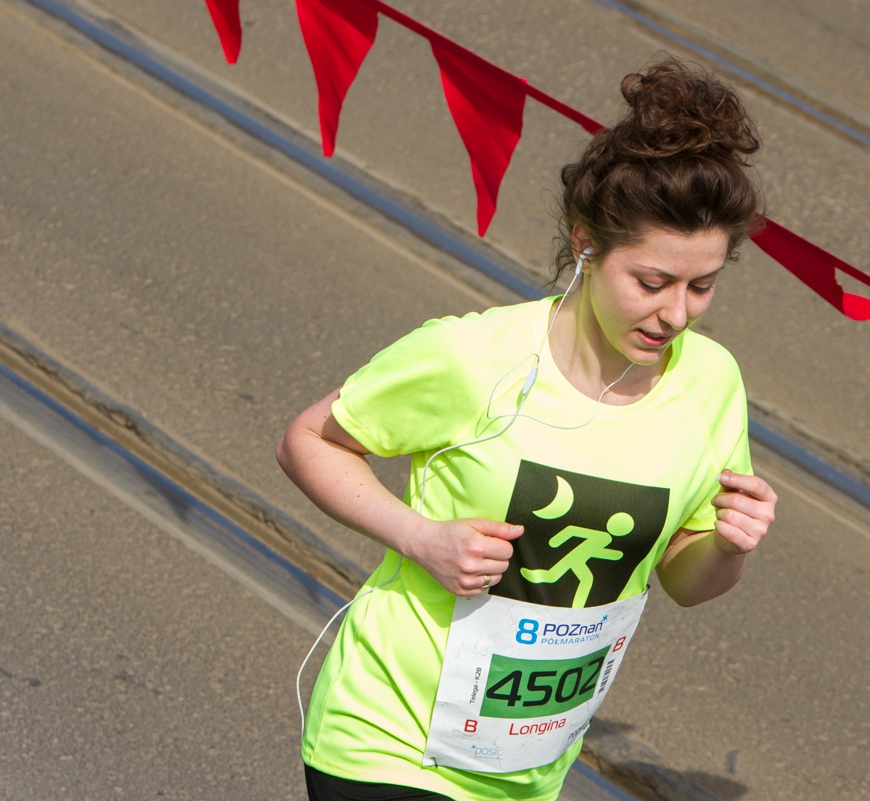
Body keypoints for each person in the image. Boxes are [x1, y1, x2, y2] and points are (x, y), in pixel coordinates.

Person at [277, 58, 778, 801]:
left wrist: (731, 547)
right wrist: (420, 537)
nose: (677, 313)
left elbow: (684, 578)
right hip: (388, 739)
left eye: (701, 285)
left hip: (524, 765)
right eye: (651, 282)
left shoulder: (710, 381)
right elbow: (308, 440)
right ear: (586, 245)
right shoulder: (474, 358)